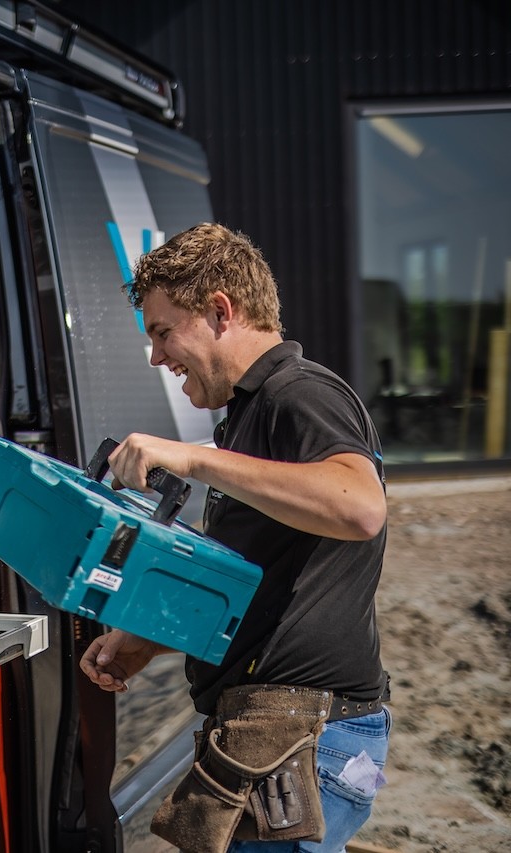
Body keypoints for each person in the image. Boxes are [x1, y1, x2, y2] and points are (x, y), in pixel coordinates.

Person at [79, 223, 391, 853]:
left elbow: (359, 507)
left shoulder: (299, 393)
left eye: (164, 332)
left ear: (221, 311)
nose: (156, 356)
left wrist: (191, 459)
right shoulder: (250, 417)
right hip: (272, 735)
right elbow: (268, 585)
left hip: (304, 740)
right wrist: (146, 642)